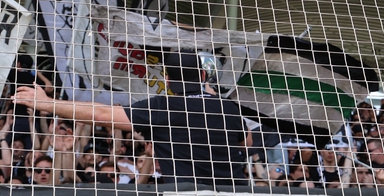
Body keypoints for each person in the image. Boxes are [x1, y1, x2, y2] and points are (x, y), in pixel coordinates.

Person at [13, 52, 248, 186]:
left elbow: (101, 114)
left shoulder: (163, 106)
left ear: (167, 81)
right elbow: (245, 143)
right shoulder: (228, 108)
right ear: (204, 75)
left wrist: (47, 103)